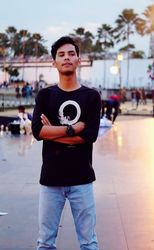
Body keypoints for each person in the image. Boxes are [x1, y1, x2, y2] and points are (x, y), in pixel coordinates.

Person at [31, 36, 101, 250]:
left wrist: (52, 131)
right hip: (51, 179)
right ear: (54, 63)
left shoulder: (91, 96)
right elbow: (37, 131)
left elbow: (89, 136)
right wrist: (71, 129)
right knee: (45, 243)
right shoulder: (45, 95)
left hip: (82, 179)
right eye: (61, 55)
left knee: (89, 243)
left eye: (71, 53)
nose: (67, 58)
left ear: (78, 59)